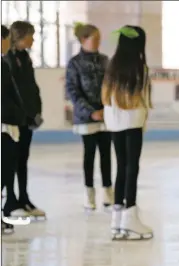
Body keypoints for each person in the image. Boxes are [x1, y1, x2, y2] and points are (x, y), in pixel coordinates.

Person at [102, 25, 153, 240]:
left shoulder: (112, 65)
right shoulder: (139, 67)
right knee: (132, 167)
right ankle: (130, 215)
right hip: (132, 121)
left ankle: (118, 218)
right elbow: (144, 98)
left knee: (121, 167)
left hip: (113, 121)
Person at [66, 23, 113, 211]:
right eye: (95, 38)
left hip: (105, 116)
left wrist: (105, 109)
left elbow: (111, 85)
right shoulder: (75, 63)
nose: (99, 42)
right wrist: (90, 111)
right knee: (89, 155)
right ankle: (89, 192)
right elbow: (72, 91)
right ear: (84, 40)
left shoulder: (104, 60)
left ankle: (108, 191)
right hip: (86, 118)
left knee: (106, 155)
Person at [4, 21, 46, 219]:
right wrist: (22, 114)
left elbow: (31, 88)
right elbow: (13, 93)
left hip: (27, 118)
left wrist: (36, 112)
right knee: (11, 160)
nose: (34, 39)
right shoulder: (9, 59)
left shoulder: (24, 57)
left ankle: (23, 198)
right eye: (31, 35)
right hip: (15, 119)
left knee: (22, 160)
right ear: (20, 36)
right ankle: (10, 200)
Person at [1, 24, 29, 234]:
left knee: (7, 171)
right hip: (5, 125)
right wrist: (20, 115)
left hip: (9, 125)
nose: (8, 43)